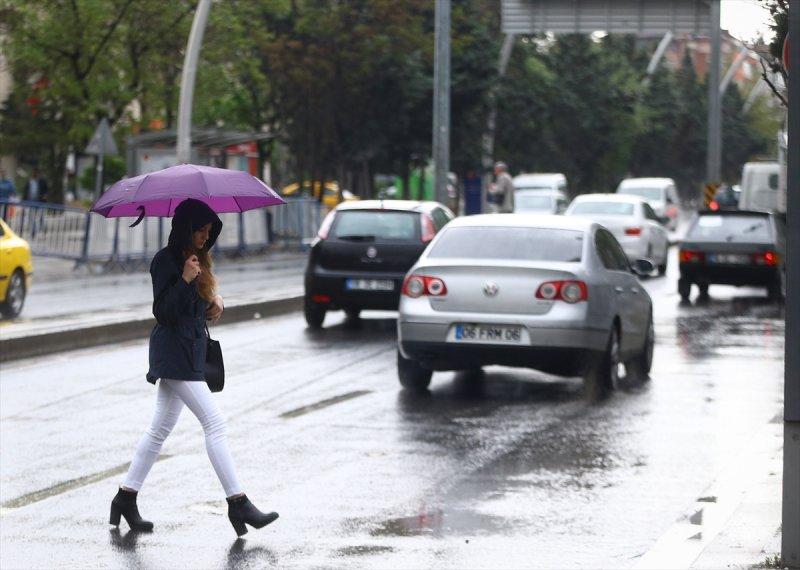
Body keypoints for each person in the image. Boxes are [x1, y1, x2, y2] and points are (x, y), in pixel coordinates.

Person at [111, 198, 278, 537]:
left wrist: (212, 302)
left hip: (187, 352)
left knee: (159, 430)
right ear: (185, 229)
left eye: (208, 230)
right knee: (215, 423)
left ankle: (125, 498)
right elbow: (164, 312)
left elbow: (190, 310)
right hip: (174, 354)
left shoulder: (197, 259)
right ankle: (238, 502)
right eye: (200, 230)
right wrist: (186, 279)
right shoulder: (165, 260)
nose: (205, 235)